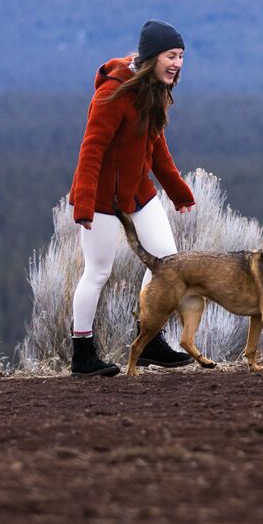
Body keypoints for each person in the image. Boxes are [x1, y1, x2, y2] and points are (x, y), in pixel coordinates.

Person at [66, 19, 198, 377]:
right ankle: (83, 354)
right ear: (152, 57)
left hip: (139, 193)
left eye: (182, 56)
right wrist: (84, 203)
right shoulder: (113, 94)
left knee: (166, 263)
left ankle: (149, 340)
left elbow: (156, 146)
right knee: (98, 271)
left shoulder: (155, 89)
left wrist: (178, 191)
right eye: (171, 56)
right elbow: (91, 149)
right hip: (102, 198)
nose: (178, 63)